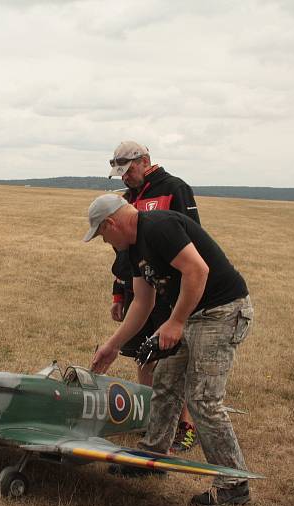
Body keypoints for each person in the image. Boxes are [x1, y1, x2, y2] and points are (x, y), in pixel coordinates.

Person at [84, 194, 255, 506]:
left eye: (102, 234)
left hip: (221, 311)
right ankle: (152, 457)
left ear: (111, 223)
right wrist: (112, 345)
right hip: (189, 314)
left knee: (203, 398)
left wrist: (176, 321)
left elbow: (197, 271)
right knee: (164, 382)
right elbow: (142, 302)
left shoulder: (159, 226)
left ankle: (234, 484)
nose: (104, 240)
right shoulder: (133, 249)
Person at [106, 141, 200, 453]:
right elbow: (124, 254)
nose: (124, 178)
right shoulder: (127, 199)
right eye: (119, 173)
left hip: (169, 293)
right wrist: (119, 293)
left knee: (171, 358)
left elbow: (191, 239)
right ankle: (150, 417)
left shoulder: (175, 189)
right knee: (143, 355)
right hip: (139, 290)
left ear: (145, 161)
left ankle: (183, 425)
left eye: (128, 170)